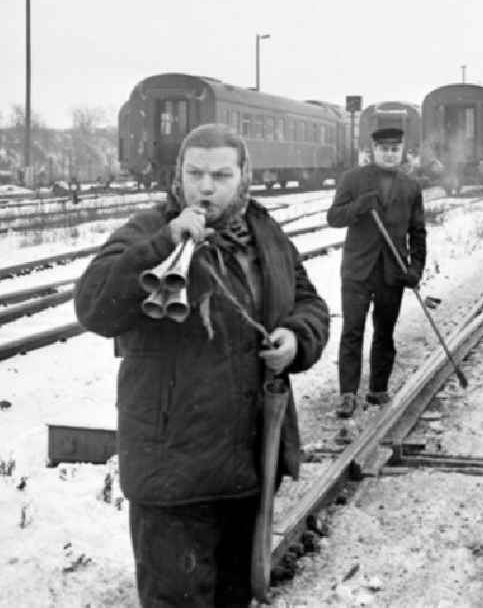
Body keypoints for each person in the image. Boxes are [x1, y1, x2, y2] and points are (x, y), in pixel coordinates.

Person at [74, 123, 329, 607]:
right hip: (173, 476)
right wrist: (162, 244)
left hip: (248, 469)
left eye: (220, 175)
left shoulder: (264, 234)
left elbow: (309, 302)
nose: (206, 188)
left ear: (244, 177)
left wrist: (296, 338)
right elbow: (92, 307)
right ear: (179, 176)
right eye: (195, 174)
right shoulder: (146, 231)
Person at [327, 127, 427, 418]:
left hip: (392, 272)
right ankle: (347, 394)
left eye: (395, 149)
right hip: (357, 271)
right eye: (384, 149)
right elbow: (333, 218)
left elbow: (418, 233)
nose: (389, 154)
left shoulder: (410, 187)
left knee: (385, 332)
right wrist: (358, 206)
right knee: (352, 331)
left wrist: (415, 269)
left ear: (402, 151)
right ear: (373, 150)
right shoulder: (353, 179)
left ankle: (378, 388)